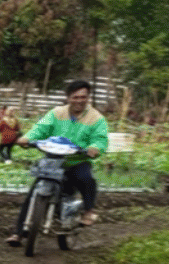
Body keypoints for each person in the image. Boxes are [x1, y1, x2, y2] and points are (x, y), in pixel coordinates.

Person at [9, 79, 108, 244]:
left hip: (76, 161)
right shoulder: (56, 113)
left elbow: (100, 139)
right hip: (53, 160)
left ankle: (88, 210)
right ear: (68, 97)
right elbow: (40, 129)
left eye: (83, 97)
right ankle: (19, 233)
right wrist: (27, 139)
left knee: (86, 178)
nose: (79, 101)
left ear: (88, 98)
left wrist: (94, 147)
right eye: (75, 97)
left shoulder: (97, 119)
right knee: (34, 191)